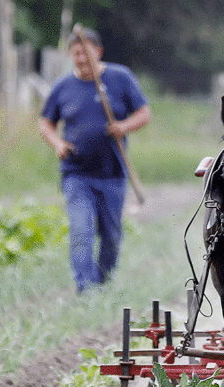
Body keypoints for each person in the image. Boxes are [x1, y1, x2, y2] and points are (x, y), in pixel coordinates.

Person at [38, 28, 150, 293]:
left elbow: (144, 113)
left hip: (112, 173)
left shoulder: (119, 78)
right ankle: (85, 289)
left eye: (85, 52)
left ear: (97, 52)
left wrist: (123, 127)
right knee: (80, 230)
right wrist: (58, 143)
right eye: (76, 53)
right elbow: (45, 122)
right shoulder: (63, 87)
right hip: (76, 173)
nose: (80, 59)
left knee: (111, 236)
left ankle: (103, 280)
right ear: (70, 55)